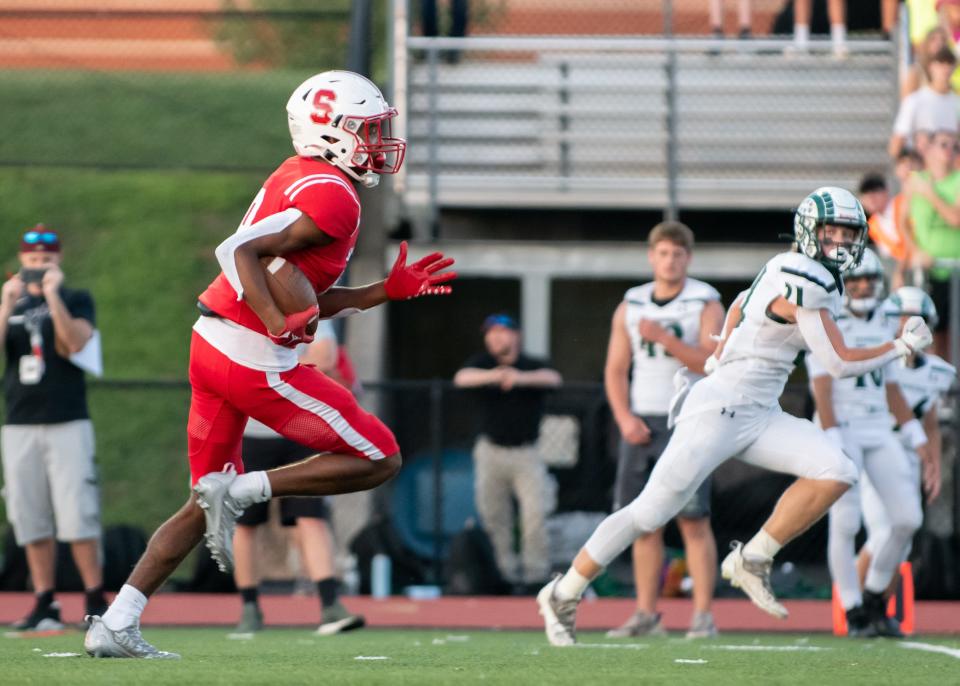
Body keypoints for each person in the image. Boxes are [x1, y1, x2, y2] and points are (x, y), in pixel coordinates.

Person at [84, 70, 456, 659]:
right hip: (252, 358)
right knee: (380, 456)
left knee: (202, 494)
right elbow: (240, 253)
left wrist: (382, 290)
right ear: (328, 132)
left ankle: (116, 621)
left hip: (213, 343)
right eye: (366, 130)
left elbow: (300, 287)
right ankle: (246, 490)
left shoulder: (301, 174)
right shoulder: (334, 193)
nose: (379, 142)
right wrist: (277, 320)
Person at [537, 187, 934, 646]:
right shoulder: (806, 275)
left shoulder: (789, 266)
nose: (841, 244)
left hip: (760, 412)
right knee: (649, 512)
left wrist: (723, 343)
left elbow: (743, 299)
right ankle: (563, 592)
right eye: (831, 233)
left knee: (838, 470)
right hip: (719, 409)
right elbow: (840, 361)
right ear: (808, 231)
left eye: (848, 234)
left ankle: (752, 559)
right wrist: (900, 346)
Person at [602, 222, 724, 639]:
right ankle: (645, 613)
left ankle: (703, 615)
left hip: (689, 420)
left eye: (678, 254)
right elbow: (616, 370)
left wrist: (664, 339)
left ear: (688, 258)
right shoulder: (631, 304)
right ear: (651, 256)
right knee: (642, 521)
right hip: (643, 421)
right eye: (664, 253)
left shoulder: (705, 302)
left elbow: (712, 362)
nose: (670, 261)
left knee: (693, 520)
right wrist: (624, 417)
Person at [806, 249, 931, 637]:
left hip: (878, 427)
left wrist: (916, 433)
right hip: (841, 427)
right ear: (843, 284)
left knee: (907, 518)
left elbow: (891, 386)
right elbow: (821, 386)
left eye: (869, 281)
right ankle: (853, 608)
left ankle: (876, 596)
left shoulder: (888, 321)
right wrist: (831, 434)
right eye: (855, 280)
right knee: (845, 522)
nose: (862, 287)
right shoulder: (828, 319)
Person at [0, 227, 106, 632]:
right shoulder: (11, 301)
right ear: (20, 261)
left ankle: (95, 598)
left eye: (45, 260)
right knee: (30, 515)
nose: (37, 267)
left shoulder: (76, 298)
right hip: (19, 422)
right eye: (31, 260)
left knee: (78, 513)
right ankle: (45, 600)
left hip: (67, 418)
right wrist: (7, 302)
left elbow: (74, 343)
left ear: (57, 260)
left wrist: (54, 296)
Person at [234, 319, 363, 636]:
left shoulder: (307, 300)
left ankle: (330, 604)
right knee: (246, 523)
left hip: (300, 428)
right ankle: (250, 607)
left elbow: (326, 354)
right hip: (252, 431)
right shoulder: (242, 302)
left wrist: (276, 367)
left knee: (311, 517)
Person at [856, 287, 953, 600]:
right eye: (903, 317)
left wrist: (933, 466)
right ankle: (856, 610)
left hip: (910, 456)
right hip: (877, 448)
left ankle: (879, 610)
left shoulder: (937, 371)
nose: (911, 324)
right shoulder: (881, 361)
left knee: (903, 539)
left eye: (919, 318)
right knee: (881, 534)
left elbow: (931, 423)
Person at [453, 314, 562, 590]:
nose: (495, 338)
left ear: (516, 335)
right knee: (494, 516)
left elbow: (553, 378)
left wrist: (519, 378)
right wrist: (495, 375)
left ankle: (535, 576)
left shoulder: (531, 364)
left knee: (535, 514)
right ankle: (505, 575)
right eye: (490, 333)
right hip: (490, 451)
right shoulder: (483, 363)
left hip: (527, 452)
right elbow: (462, 378)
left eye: (501, 332)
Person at [901, 129, 960, 360]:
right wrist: (914, 250)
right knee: (924, 331)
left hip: (954, 270)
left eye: (954, 147)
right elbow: (903, 222)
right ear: (930, 150)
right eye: (943, 145)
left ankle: (949, 384)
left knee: (950, 334)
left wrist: (930, 193)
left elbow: (955, 219)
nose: (949, 151)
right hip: (926, 271)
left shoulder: (955, 180)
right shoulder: (915, 181)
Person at [889, 47, 959, 159]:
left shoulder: (957, 103)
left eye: (949, 63)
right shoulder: (915, 100)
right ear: (931, 66)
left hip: (948, 169)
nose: (945, 68)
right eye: (941, 63)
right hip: (921, 167)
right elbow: (898, 140)